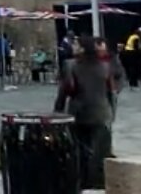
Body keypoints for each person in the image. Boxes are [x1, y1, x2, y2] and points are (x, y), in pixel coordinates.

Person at [54, 36, 115, 189]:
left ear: (82, 48)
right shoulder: (105, 66)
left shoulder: (70, 65)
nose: (73, 46)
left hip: (80, 114)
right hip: (102, 113)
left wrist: (57, 113)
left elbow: (66, 90)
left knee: (79, 150)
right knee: (99, 151)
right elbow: (110, 92)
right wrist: (111, 113)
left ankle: (82, 181)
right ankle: (97, 182)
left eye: (76, 44)